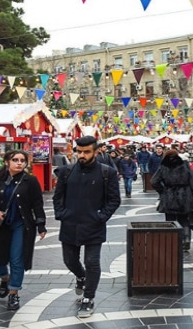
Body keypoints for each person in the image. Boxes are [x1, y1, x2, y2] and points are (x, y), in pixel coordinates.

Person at [52, 136, 121, 318]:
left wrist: (101, 216)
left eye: (86, 152)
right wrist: (61, 214)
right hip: (69, 224)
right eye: (79, 151)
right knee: (69, 260)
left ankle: (88, 298)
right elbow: (57, 197)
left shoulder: (107, 173)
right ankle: (81, 277)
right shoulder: (66, 172)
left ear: (96, 152)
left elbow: (114, 199)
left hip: (93, 225)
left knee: (92, 262)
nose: (82, 155)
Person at [0, 149, 47, 311]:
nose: (19, 163)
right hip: (0, 225)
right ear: (7, 162)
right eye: (15, 160)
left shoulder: (30, 180)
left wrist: (41, 225)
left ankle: (14, 293)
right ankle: (5, 278)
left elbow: (37, 204)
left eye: (22, 160)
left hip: (22, 225)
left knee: (17, 259)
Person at [151, 149, 193, 250]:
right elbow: (192, 181)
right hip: (185, 196)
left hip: (169, 196)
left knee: (170, 220)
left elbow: (154, 181)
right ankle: (186, 240)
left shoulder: (163, 167)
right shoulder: (185, 166)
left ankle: (172, 241)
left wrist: (162, 191)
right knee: (184, 219)